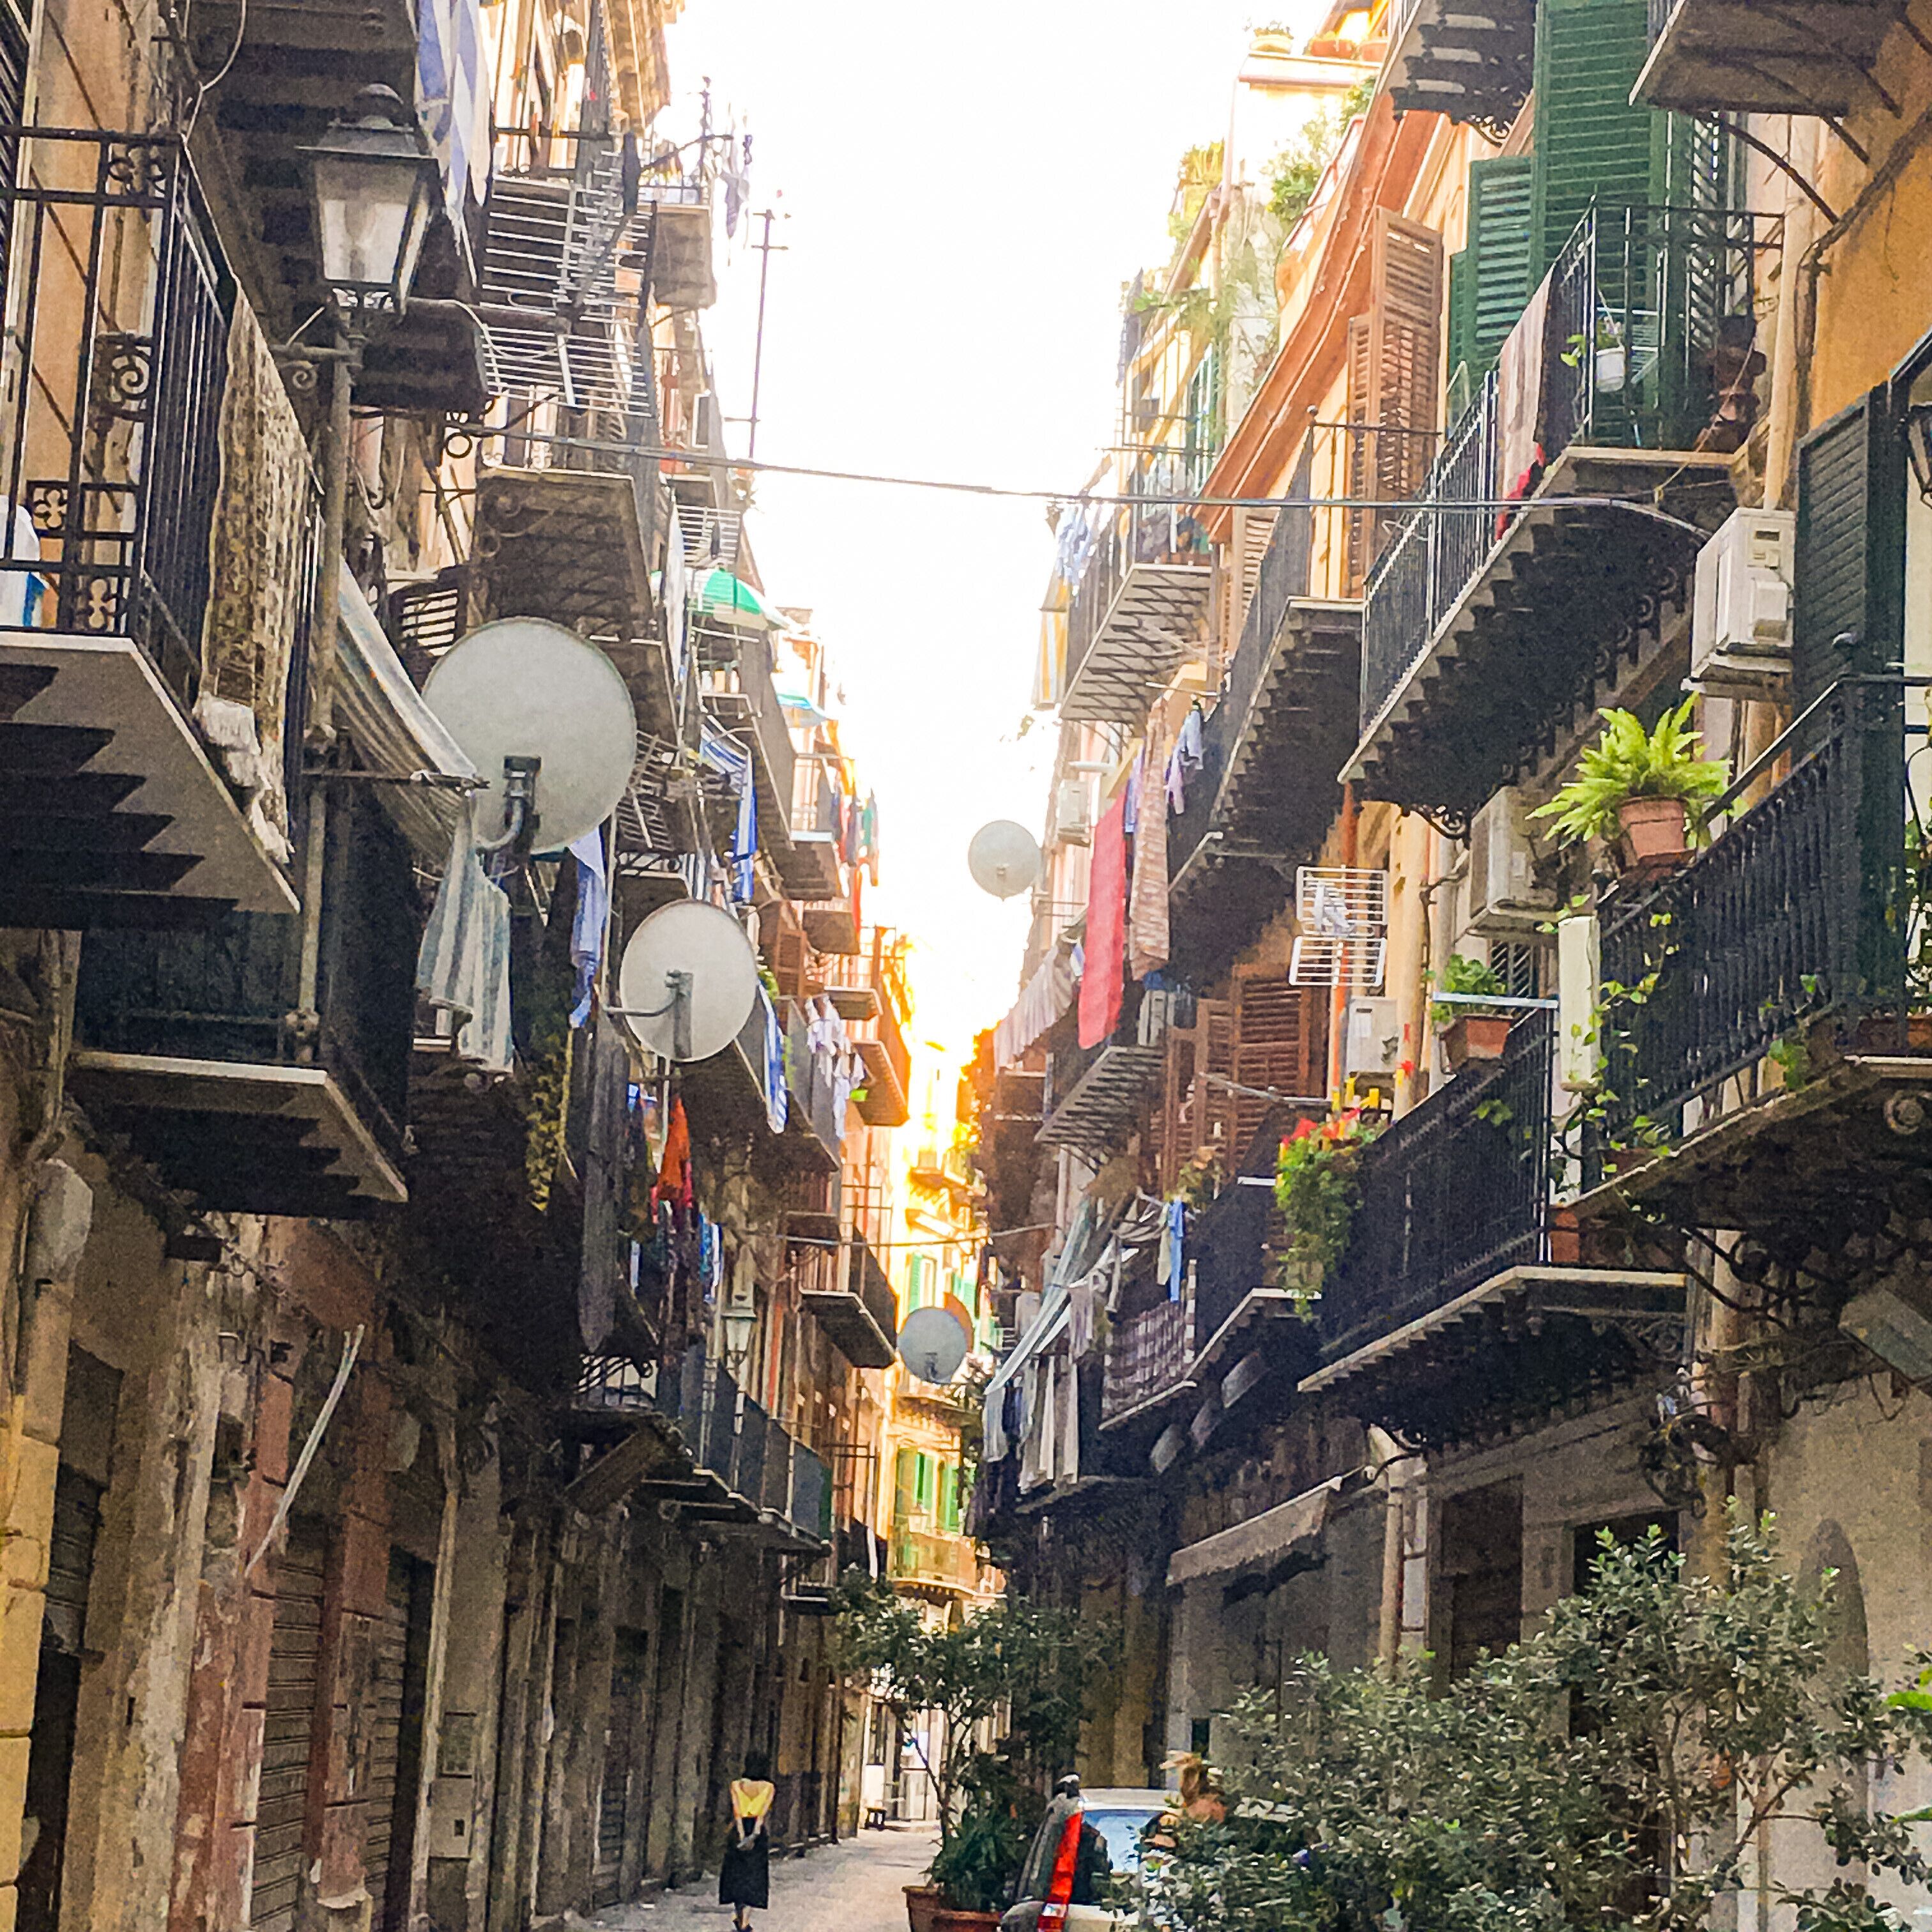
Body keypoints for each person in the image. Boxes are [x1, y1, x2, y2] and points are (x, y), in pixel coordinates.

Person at [719, 1751, 774, 1931]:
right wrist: (756, 1833)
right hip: (757, 1832)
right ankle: (745, 1922)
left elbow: (737, 1812)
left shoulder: (736, 1785)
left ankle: (738, 1914)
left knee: (737, 1876)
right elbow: (762, 1814)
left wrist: (742, 1835)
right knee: (754, 1877)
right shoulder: (768, 1787)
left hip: (739, 1829)